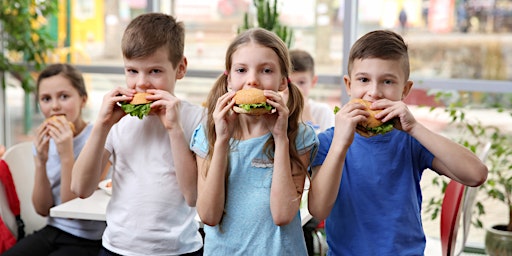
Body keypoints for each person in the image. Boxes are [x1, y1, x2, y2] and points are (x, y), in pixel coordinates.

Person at [307, 30, 488, 255]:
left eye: (388, 81)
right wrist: (340, 145)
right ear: (348, 84)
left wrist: (415, 128)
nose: (373, 92)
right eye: (364, 80)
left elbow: (476, 174)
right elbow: (318, 210)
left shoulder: (411, 140)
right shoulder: (327, 142)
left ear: (405, 90)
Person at [71, 13, 204, 256]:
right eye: (132, 71)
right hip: (117, 248)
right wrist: (102, 126)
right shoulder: (117, 122)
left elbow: (193, 196)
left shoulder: (196, 119)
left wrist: (175, 130)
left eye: (154, 71)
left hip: (179, 250)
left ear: (180, 68)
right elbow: (80, 188)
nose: (141, 83)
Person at [190, 27, 318, 255]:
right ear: (228, 78)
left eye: (266, 70)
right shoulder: (207, 133)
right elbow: (209, 216)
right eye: (241, 70)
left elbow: (282, 216)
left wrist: (280, 138)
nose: (252, 81)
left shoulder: (298, 136)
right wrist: (221, 141)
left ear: (282, 82)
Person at [3, 63, 107, 256]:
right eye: (46, 99)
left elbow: (71, 210)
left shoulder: (98, 139)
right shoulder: (44, 140)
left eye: (64, 96)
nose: (55, 106)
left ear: (83, 99)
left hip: (87, 239)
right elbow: (42, 209)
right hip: (52, 230)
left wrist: (66, 154)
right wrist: (40, 161)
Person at [287, 49, 333, 256]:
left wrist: (305, 117)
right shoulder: (278, 113)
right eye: (291, 82)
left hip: (315, 194)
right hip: (290, 189)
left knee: (305, 228)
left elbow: (320, 157)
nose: (296, 88)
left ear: (313, 81)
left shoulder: (322, 112)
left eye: (302, 82)